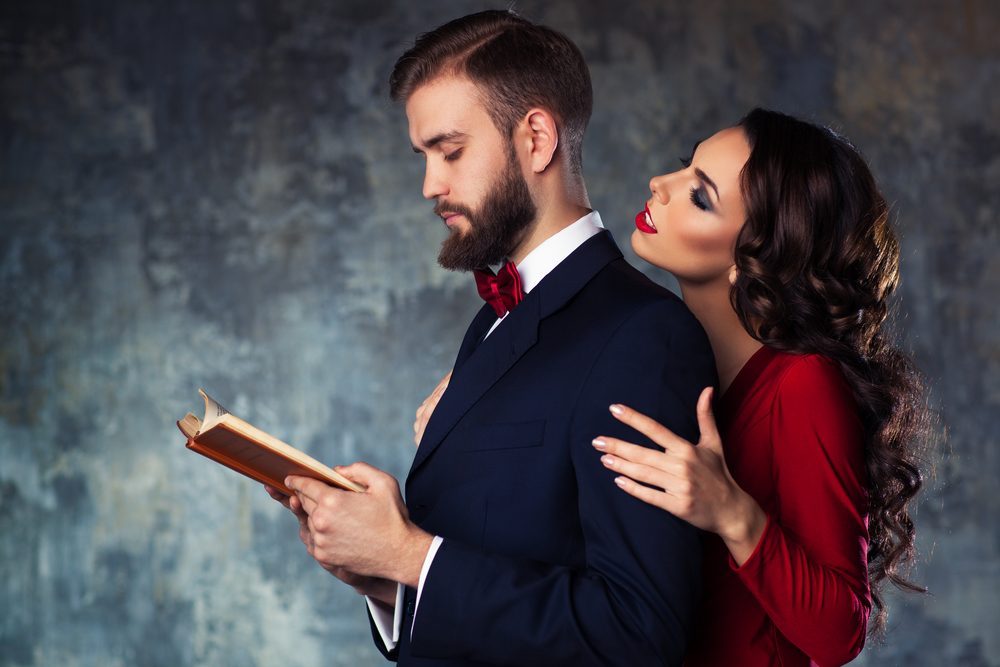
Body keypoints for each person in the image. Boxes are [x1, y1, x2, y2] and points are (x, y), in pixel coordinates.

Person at [266, 9, 717, 666]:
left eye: (450, 152)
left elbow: (638, 634)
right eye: (423, 157)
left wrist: (410, 554)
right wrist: (385, 580)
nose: (430, 185)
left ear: (536, 138)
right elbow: (493, 560)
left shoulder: (642, 335)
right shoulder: (493, 318)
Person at [417, 108, 930, 666]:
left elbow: (839, 634)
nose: (660, 185)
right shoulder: (652, 359)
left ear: (752, 256)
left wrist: (732, 512)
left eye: (700, 196)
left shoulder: (802, 386)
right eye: (686, 168)